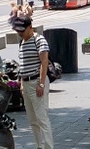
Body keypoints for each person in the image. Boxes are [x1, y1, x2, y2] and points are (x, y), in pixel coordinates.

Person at [13, 13, 53, 149]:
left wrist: (41, 83)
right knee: (32, 120)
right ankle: (38, 146)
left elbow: (44, 62)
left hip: (36, 81)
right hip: (26, 83)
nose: (19, 33)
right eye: (17, 31)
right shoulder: (22, 42)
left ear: (30, 27)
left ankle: (48, 146)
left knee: (41, 118)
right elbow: (22, 63)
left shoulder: (39, 40)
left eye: (22, 31)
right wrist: (21, 82)